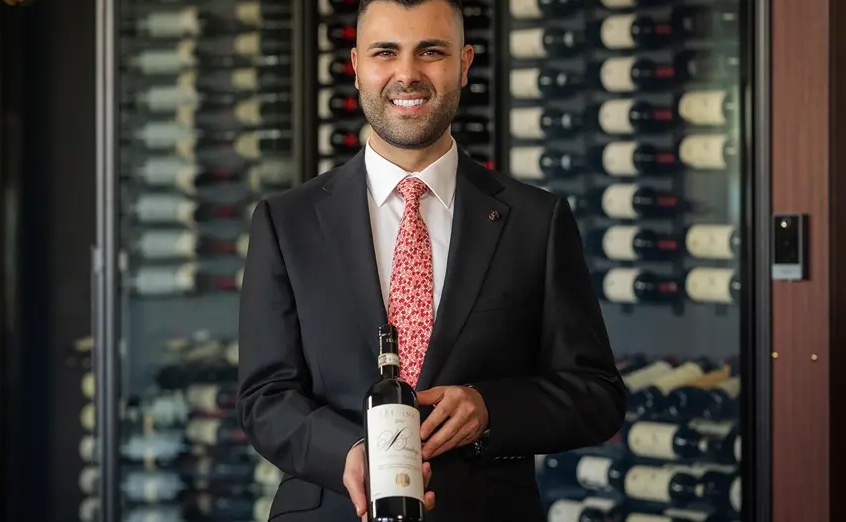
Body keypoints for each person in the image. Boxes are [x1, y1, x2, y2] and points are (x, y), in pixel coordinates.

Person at [236, 0, 627, 520]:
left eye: (431, 52)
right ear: (355, 66)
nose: (408, 74)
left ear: (465, 63)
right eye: (385, 52)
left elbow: (595, 395)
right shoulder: (286, 223)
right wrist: (349, 454)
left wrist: (490, 411)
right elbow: (265, 395)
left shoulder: (538, 220)